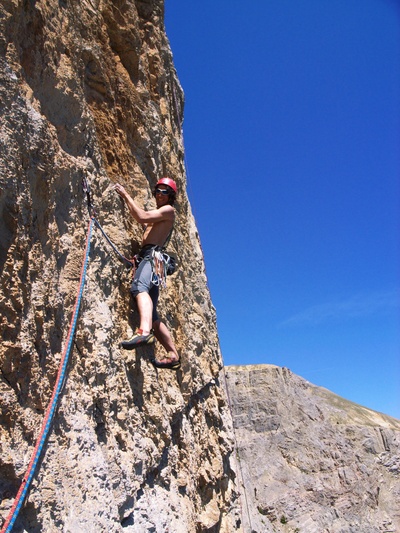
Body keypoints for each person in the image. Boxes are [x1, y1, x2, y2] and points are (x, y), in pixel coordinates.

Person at [114, 178, 181, 370]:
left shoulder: (168, 210)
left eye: (164, 191)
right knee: (153, 315)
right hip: (155, 260)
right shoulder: (160, 216)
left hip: (152, 258)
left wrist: (126, 195)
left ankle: (143, 331)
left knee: (139, 288)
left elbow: (142, 216)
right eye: (157, 190)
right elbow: (147, 225)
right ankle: (173, 354)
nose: (160, 194)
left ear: (171, 196)